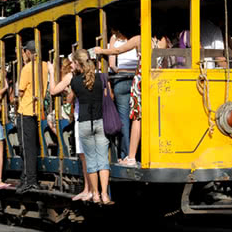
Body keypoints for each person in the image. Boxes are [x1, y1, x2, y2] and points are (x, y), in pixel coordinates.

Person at [95, 29, 170, 167]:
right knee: (154, 118)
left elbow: (117, 51)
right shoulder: (163, 40)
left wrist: (101, 51)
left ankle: (131, 157)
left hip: (141, 81)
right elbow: (164, 63)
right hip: (157, 81)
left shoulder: (140, 39)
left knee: (137, 118)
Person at [49, 49, 113, 204]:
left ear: (77, 64)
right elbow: (110, 96)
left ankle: (95, 194)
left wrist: (52, 72)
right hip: (100, 122)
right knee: (103, 160)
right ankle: (105, 195)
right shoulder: (102, 77)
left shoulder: (74, 80)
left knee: (90, 161)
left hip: (84, 123)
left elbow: (56, 93)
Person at [49, 56, 91, 201]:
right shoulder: (96, 73)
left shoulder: (72, 77)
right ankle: (95, 190)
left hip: (81, 116)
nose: (71, 64)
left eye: (73, 62)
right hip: (95, 116)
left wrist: (50, 73)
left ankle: (88, 188)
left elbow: (55, 92)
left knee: (84, 155)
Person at [16, 40, 48, 194]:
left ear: (28, 52)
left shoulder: (27, 68)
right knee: (33, 147)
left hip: (26, 110)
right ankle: (26, 178)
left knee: (26, 148)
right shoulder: (45, 66)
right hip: (38, 110)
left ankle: (30, 180)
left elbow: (20, 91)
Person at [108, 28, 139, 161]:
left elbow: (112, 64)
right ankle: (139, 153)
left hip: (120, 79)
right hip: (137, 79)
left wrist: (118, 70)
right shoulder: (138, 37)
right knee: (137, 118)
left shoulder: (114, 38)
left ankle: (126, 154)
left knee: (124, 119)